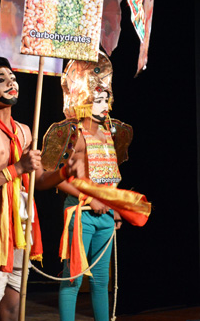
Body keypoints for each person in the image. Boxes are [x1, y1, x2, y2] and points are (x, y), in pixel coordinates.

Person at [41, 51, 149, 321]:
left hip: (105, 217)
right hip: (81, 216)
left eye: (106, 99)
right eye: (97, 100)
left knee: (101, 281)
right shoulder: (75, 135)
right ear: (85, 102)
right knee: (73, 279)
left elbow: (110, 176)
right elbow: (56, 177)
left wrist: (115, 209)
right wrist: (91, 200)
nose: (104, 106)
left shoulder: (109, 133)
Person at [0, 56, 67, 321]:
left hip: (21, 225)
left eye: (13, 78)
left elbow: (39, 182)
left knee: (11, 309)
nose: (11, 83)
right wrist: (16, 169)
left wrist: (67, 171)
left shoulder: (24, 130)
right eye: (0, 79)